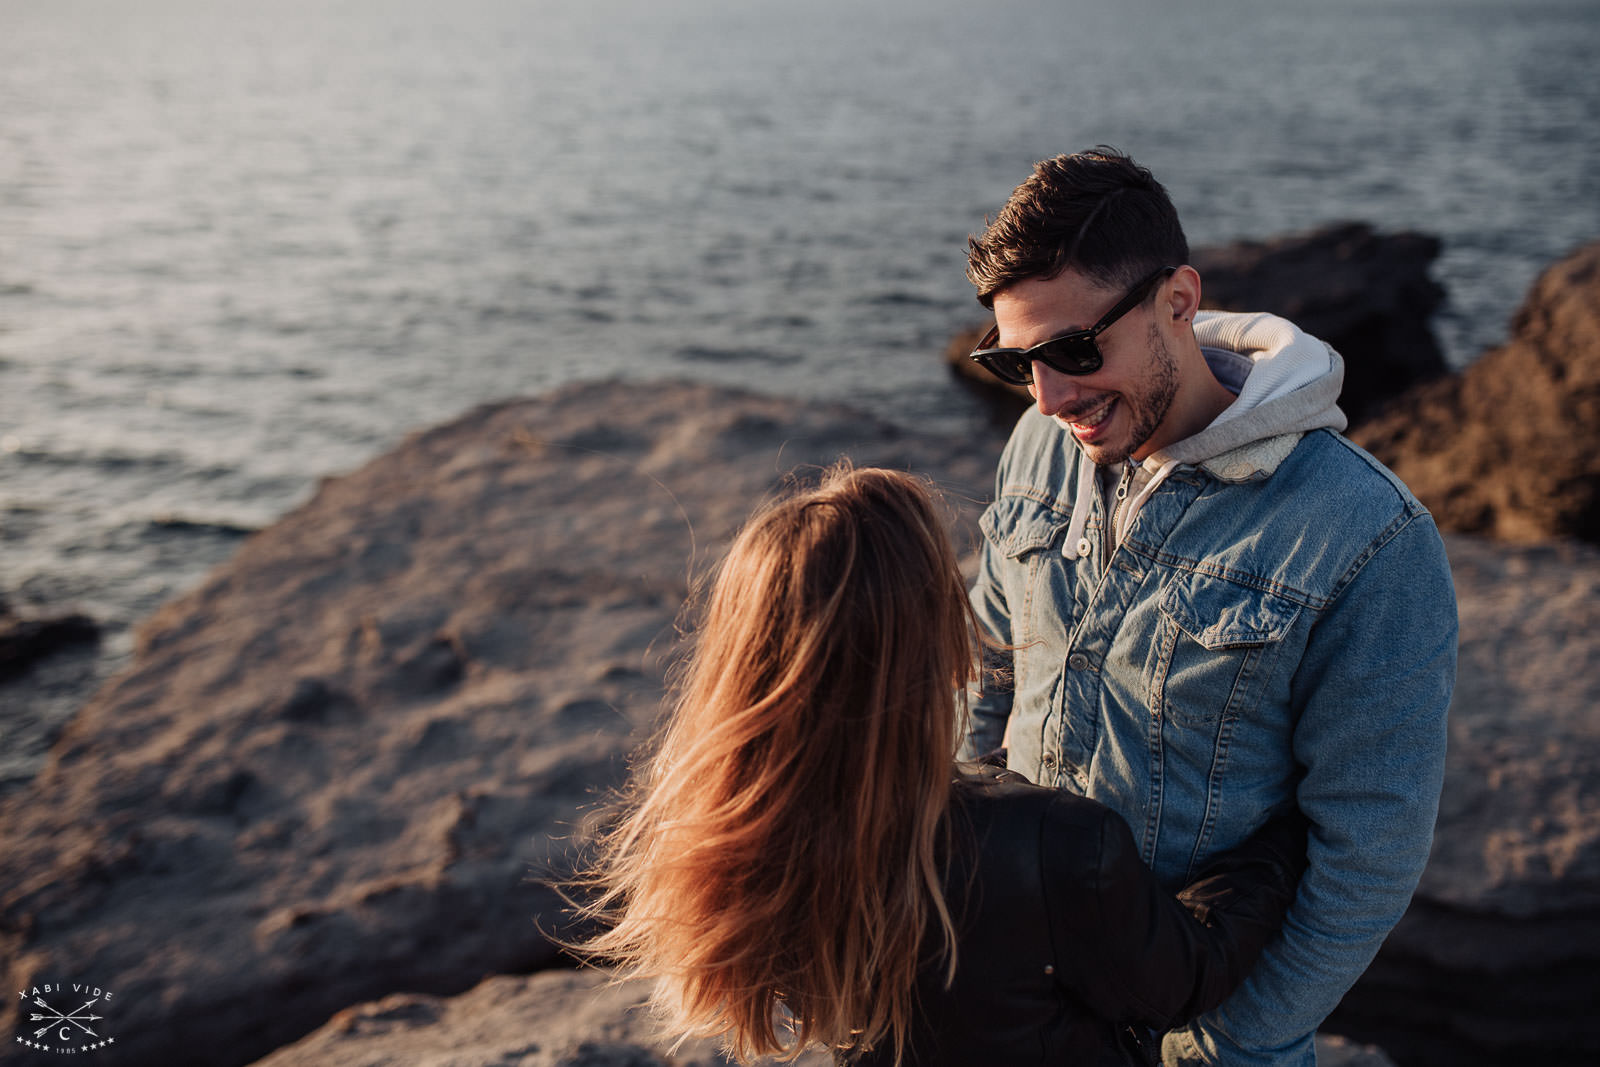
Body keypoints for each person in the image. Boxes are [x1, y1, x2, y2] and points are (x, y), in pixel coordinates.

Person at [959, 147, 1457, 1066]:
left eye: (1073, 350)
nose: (1047, 396)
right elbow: (986, 666)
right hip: (1016, 1003)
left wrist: (1219, 1041)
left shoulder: (1367, 538)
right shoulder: (1037, 446)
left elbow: (1367, 856)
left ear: (1178, 302)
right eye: (1013, 362)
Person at [574, 463, 1307, 1066]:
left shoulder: (744, 846)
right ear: (930, 647)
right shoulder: (1055, 845)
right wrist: (1285, 831)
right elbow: (1189, 974)